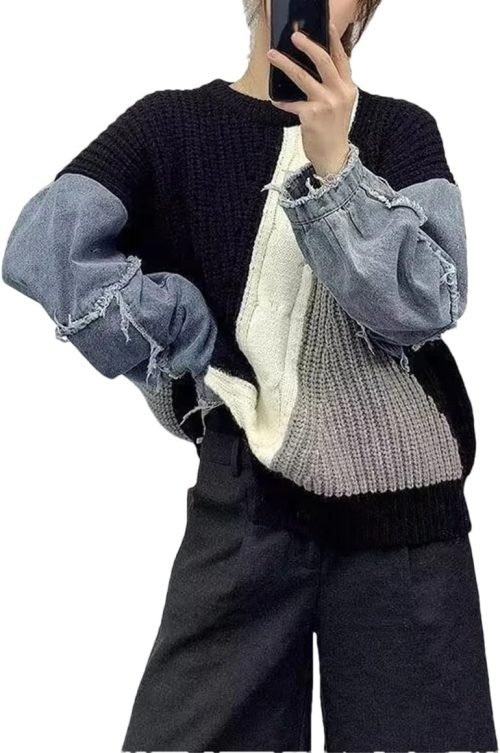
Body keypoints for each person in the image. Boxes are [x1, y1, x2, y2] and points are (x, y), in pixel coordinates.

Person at [2, 0, 498, 750]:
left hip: (404, 506)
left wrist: (335, 164)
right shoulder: (171, 126)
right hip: (245, 498)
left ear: (363, 9)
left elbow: (429, 303)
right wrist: (185, 335)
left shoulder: (400, 130)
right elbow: (45, 244)